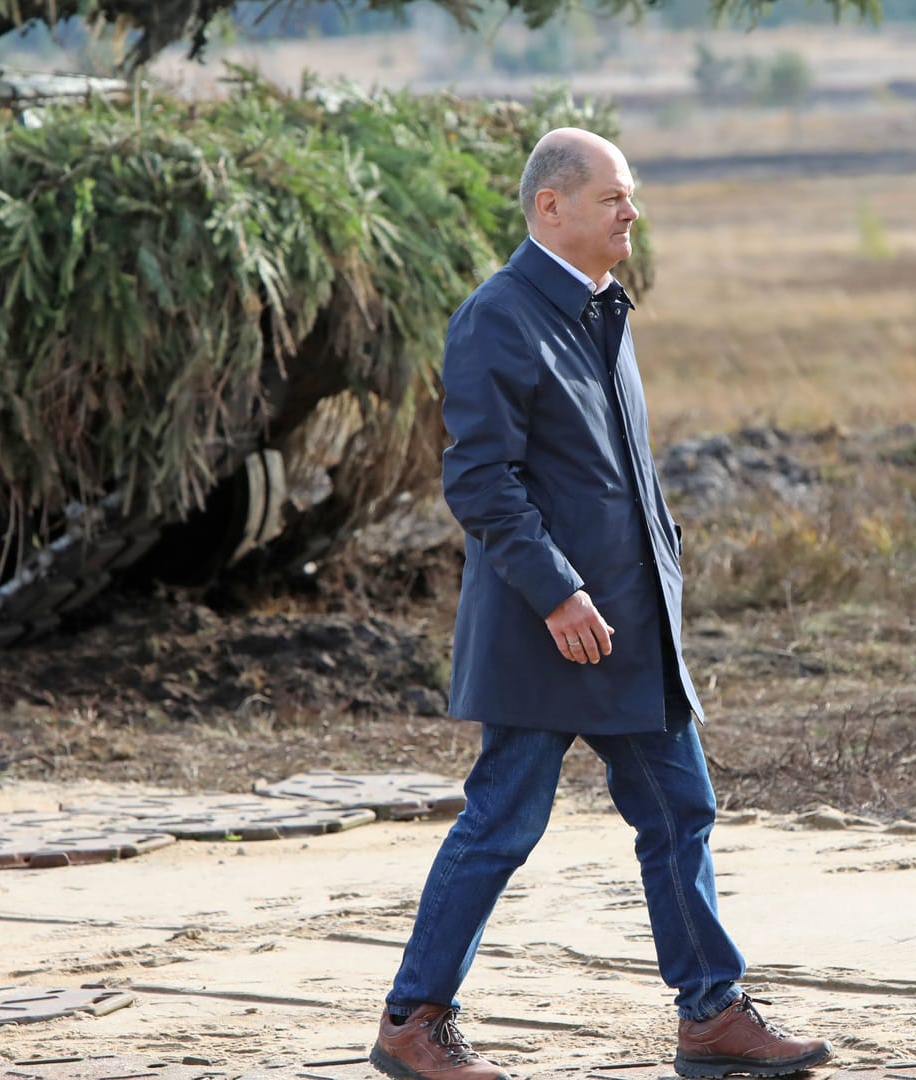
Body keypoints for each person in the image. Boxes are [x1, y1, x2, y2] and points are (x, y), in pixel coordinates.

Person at [368, 128, 833, 1080]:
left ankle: (710, 1012)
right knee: (502, 821)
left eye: (632, 196)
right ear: (552, 207)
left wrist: (656, 577)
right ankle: (413, 1021)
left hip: (630, 627)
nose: (632, 211)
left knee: (680, 811)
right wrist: (560, 593)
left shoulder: (601, 308)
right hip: (551, 630)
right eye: (615, 196)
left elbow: (622, 476)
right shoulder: (500, 316)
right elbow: (482, 482)